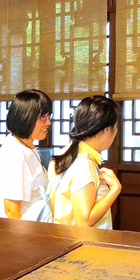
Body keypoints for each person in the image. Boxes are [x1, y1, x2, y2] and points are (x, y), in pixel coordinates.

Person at [48, 95, 122, 228]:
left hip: (62, 236)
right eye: (115, 128)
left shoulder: (63, 155)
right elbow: (85, 221)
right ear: (107, 130)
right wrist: (115, 189)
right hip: (83, 240)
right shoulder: (84, 164)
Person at [0, 89, 52, 220]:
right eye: (43, 117)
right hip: (26, 229)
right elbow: (11, 211)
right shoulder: (15, 153)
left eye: (48, 116)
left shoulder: (26, 145)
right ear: (26, 117)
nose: (48, 122)